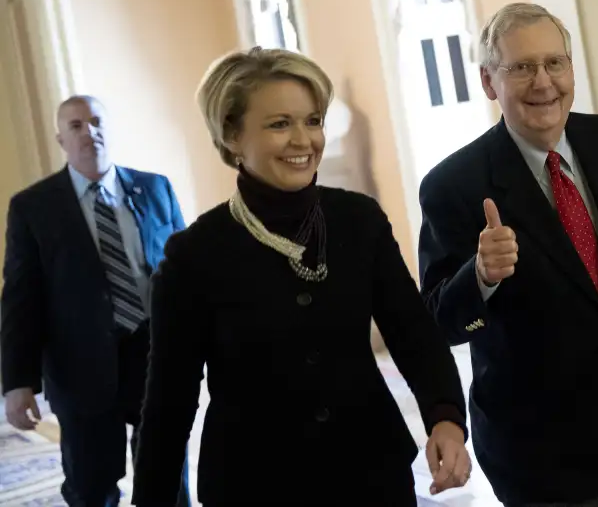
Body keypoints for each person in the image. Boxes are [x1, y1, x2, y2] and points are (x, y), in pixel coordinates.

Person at [130, 47, 471, 507]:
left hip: (372, 477)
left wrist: (445, 417)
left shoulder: (359, 220)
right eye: (279, 124)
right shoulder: (194, 255)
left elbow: (414, 334)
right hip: (254, 486)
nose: (303, 140)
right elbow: (170, 402)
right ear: (232, 134)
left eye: (313, 121)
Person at [417, 3, 598, 507]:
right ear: (488, 81)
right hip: (538, 453)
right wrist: (479, 277)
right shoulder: (452, 185)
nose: (543, 82)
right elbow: (437, 323)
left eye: (554, 63)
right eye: (520, 67)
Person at [0, 95, 192, 507]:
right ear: (61, 139)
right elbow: (20, 297)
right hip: (79, 368)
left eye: (96, 122)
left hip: (154, 355)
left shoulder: (155, 188)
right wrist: (18, 382)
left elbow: (188, 274)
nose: (90, 133)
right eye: (76, 126)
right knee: (91, 487)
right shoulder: (34, 208)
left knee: (168, 480)